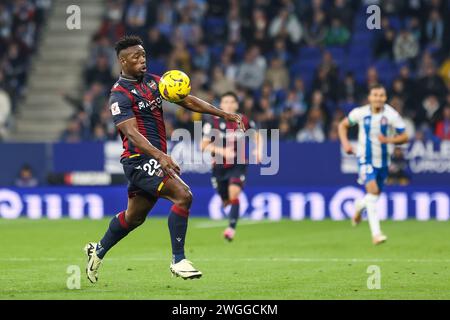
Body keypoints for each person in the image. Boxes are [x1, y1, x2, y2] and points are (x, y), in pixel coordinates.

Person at [84, 36, 243, 283]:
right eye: (136, 57)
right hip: (139, 159)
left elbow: (187, 100)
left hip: (154, 159)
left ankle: (98, 250)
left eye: (144, 55)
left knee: (134, 217)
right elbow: (131, 133)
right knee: (184, 195)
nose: (142, 60)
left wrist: (223, 114)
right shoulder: (119, 95)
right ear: (122, 61)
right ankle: (178, 260)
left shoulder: (154, 82)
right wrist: (160, 155)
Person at [338, 84, 408, 245]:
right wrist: (346, 144)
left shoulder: (391, 115)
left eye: (381, 95)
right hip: (365, 158)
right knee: (373, 191)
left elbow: (404, 136)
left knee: (373, 197)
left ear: (385, 98)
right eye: (375, 95)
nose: (378, 98)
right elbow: (342, 125)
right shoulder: (360, 113)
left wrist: (389, 140)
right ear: (369, 98)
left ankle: (359, 205)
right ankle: (376, 234)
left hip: (383, 162)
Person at [201, 92, 261, 241]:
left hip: (238, 163)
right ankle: (231, 210)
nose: (228, 105)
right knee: (225, 200)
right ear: (220, 105)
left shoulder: (243, 120)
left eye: (231, 102)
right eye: (225, 102)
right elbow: (203, 146)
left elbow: (257, 136)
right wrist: (222, 151)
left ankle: (230, 229)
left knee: (234, 192)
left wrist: (258, 150)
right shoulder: (212, 123)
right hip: (219, 166)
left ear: (236, 105)